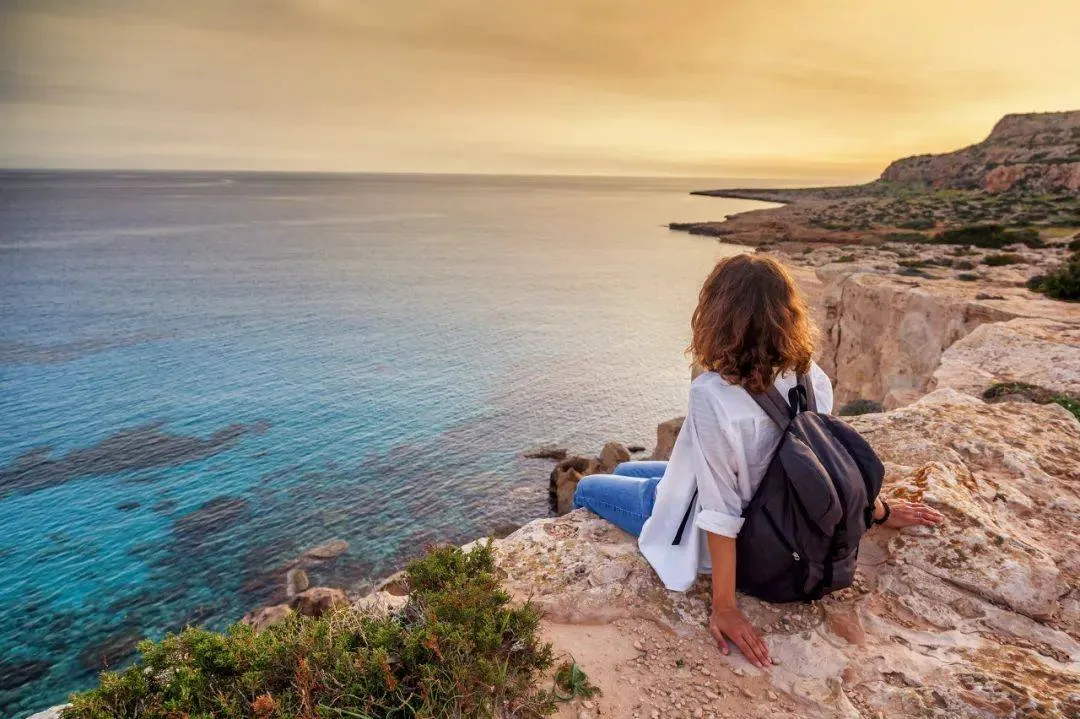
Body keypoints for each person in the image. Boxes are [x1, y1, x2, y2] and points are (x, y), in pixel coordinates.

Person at [573, 254, 943, 669]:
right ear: (787, 316)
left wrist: (725, 606)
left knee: (587, 487)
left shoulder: (713, 393)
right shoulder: (810, 376)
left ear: (717, 316)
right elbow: (827, 458)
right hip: (776, 505)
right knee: (626, 469)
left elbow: (721, 510)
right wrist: (880, 510)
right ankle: (637, 486)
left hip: (744, 534)